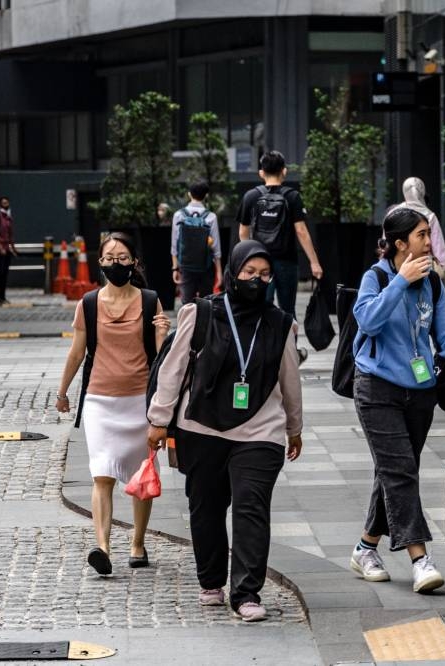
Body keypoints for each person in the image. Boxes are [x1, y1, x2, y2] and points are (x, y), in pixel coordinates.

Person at [147, 240, 303, 622]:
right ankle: (212, 580)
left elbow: (289, 378)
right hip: (201, 426)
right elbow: (173, 369)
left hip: (260, 431)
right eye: (249, 273)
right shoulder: (200, 313)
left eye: (265, 275)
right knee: (207, 507)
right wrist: (158, 419)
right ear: (233, 273)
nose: (257, 281)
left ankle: (247, 592)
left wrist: (294, 427)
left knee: (252, 507)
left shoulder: (280, 323)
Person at [348, 207, 445, 593]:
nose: (429, 242)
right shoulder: (376, 277)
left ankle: (365, 548)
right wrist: (399, 282)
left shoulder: (433, 284)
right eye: (422, 235)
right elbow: (367, 320)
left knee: (394, 471)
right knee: (401, 471)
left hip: (420, 391)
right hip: (376, 388)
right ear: (400, 244)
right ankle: (420, 559)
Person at [55, 232, 171, 576]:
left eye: (123, 258)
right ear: (100, 262)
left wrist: (163, 336)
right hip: (99, 402)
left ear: (134, 263)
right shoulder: (88, 304)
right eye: (109, 258)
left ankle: (137, 542)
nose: (116, 263)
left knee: (140, 477)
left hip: (140, 401)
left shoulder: (150, 301)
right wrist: (63, 393)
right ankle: (102, 547)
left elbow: (163, 356)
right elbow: (77, 351)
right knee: (101, 475)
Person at [237, 150, 323, 316]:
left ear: (261, 172)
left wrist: (247, 258)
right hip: (287, 260)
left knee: (260, 307)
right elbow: (301, 231)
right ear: (284, 170)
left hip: (259, 262)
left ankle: (263, 342)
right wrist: (314, 262)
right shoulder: (292, 197)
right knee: (287, 309)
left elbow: (243, 232)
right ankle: (288, 342)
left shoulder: (251, 196)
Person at [172, 180, 222, 304]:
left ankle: (188, 323)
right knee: (206, 302)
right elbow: (216, 248)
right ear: (205, 196)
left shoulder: (179, 215)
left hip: (186, 266)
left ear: (189, 194)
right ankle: (204, 324)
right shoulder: (211, 217)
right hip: (206, 266)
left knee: (187, 303)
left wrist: (175, 269)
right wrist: (219, 273)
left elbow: (174, 245)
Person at [398, 177, 445, 272]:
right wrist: (441, 267)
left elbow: (385, 245)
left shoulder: (393, 213)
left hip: (398, 266)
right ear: (422, 192)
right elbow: (439, 250)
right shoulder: (429, 215)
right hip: (423, 266)